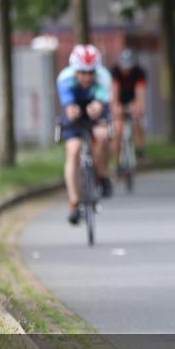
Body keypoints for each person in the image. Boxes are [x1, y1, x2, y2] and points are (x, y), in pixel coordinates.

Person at [56, 44, 113, 225]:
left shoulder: (104, 77)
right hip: (75, 108)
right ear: (75, 70)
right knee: (73, 150)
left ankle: (101, 174)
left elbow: (102, 101)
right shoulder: (65, 78)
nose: (87, 77)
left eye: (91, 73)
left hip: (95, 106)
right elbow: (69, 105)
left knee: (103, 135)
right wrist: (72, 111)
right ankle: (74, 202)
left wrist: (97, 106)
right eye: (82, 72)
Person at [110, 48, 148, 168]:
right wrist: (116, 107)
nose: (126, 70)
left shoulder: (139, 73)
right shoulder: (115, 72)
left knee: (138, 120)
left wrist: (138, 106)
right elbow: (114, 94)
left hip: (132, 98)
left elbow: (140, 93)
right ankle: (116, 162)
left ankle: (139, 150)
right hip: (119, 99)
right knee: (118, 129)